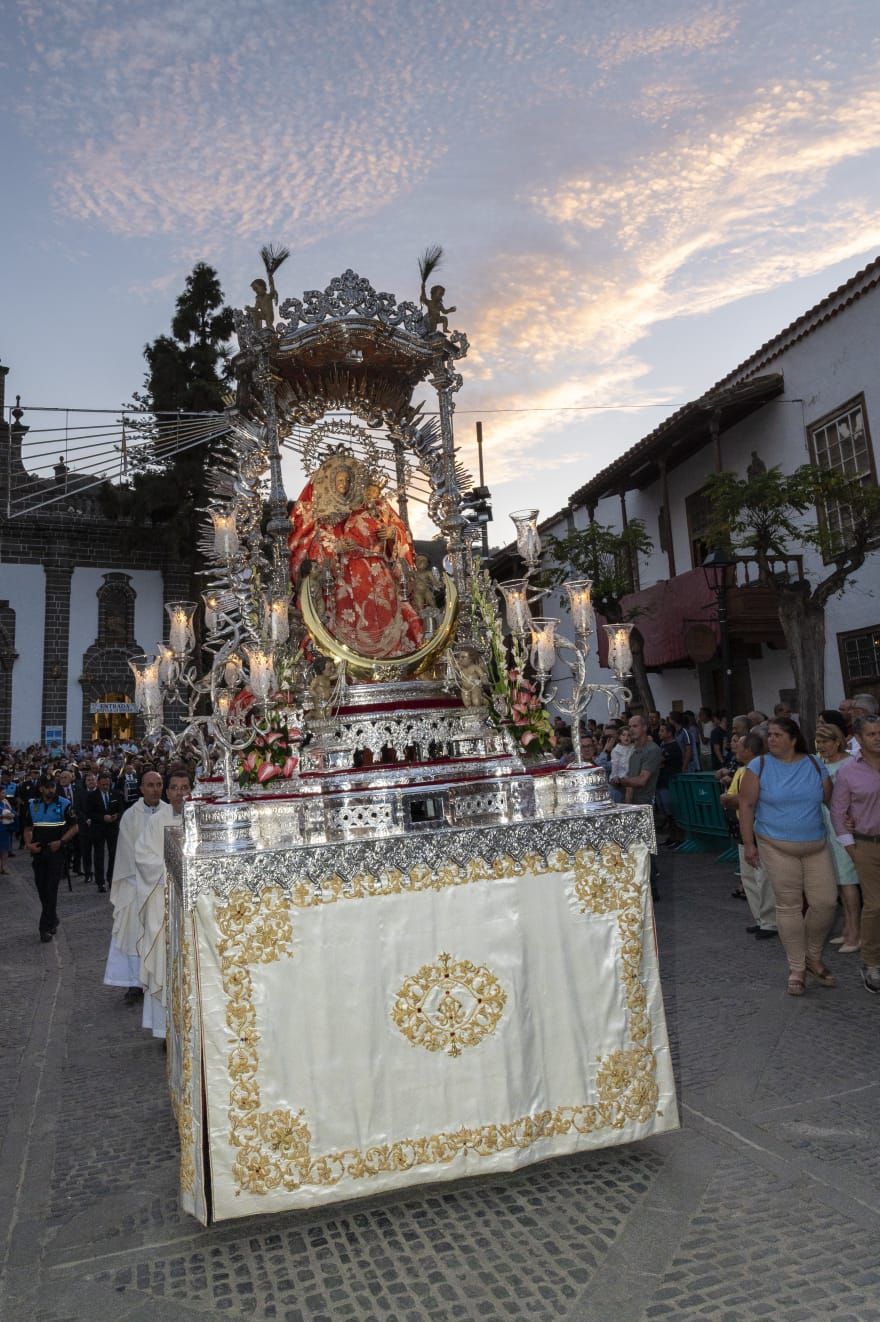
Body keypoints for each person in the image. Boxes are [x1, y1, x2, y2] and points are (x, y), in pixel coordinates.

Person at [288, 454, 424, 658]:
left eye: (348, 480)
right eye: (340, 480)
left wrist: (391, 535)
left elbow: (396, 529)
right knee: (347, 621)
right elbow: (316, 548)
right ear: (330, 483)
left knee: (385, 615)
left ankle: (391, 660)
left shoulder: (371, 507)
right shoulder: (324, 515)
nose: (344, 484)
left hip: (379, 576)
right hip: (344, 578)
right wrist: (338, 547)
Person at [738, 717, 837, 996]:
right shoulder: (759, 766)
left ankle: (812, 955)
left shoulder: (815, 765)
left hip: (816, 844)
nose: (771, 739)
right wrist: (749, 843)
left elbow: (832, 802)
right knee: (789, 905)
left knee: (826, 902)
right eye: (769, 735)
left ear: (794, 738)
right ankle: (797, 967)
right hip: (775, 844)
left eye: (778, 735)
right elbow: (746, 805)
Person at [104, 770, 173, 1011]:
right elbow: (127, 854)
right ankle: (135, 983)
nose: (155, 789)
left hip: (163, 884)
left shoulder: (170, 812)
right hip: (136, 885)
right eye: (150, 785)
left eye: (159, 784)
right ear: (141, 788)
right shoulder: (130, 817)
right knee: (135, 933)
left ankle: (161, 976)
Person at [138, 767, 192, 1039]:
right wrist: (169, 873)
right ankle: (165, 1028)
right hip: (164, 903)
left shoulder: (199, 819)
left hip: (192, 907)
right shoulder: (155, 821)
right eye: (175, 788)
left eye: (185, 788)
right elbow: (144, 858)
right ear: (167, 791)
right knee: (165, 962)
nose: (180, 793)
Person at [830, 714, 880, 995]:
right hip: (867, 845)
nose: (878, 737)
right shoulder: (849, 771)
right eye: (871, 734)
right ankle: (872, 963)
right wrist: (850, 846)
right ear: (859, 739)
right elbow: (838, 811)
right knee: (875, 905)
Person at [721, 732, 777, 940]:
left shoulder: (759, 769)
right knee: (749, 877)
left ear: (750, 750)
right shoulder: (742, 769)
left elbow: (748, 797)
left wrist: (729, 799)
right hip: (741, 827)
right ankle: (761, 918)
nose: (736, 748)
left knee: (762, 876)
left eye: (741, 746)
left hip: (756, 826)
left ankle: (771, 921)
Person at [814, 721, 861, 952]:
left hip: (842, 825)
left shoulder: (850, 763)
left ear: (837, 741)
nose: (821, 746)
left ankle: (856, 931)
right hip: (824, 824)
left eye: (825, 741)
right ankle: (847, 927)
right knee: (840, 882)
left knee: (848, 878)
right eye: (818, 742)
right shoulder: (818, 762)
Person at [23, 776, 78, 942]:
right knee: (41, 889)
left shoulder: (64, 803)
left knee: (50, 889)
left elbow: (75, 826)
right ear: (41, 789)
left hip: (56, 852)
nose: (50, 790)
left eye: (52, 786)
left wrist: (61, 842)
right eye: (47, 787)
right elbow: (27, 828)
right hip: (38, 852)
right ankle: (52, 919)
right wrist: (28, 844)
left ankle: (44, 927)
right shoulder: (33, 805)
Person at [619, 714, 662, 899]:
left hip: (646, 802)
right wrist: (627, 805)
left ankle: (652, 888)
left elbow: (642, 779)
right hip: (634, 804)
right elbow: (631, 781)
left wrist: (621, 780)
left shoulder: (652, 750)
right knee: (636, 847)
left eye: (635, 725)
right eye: (629, 726)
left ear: (644, 727)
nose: (631, 729)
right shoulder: (634, 751)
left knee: (647, 848)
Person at [87, 771, 123, 892]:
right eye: (103, 785)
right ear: (98, 784)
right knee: (99, 856)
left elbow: (121, 809)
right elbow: (90, 813)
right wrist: (102, 817)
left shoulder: (116, 794)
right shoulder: (92, 796)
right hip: (98, 829)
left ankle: (111, 879)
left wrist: (116, 816)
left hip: (112, 828)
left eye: (107, 784)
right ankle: (100, 882)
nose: (105, 787)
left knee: (113, 855)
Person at [609, 725, 634, 803]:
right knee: (628, 788)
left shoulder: (633, 747)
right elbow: (615, 764)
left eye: (629, 735)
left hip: (632, 775)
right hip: (620, 776)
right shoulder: (616, 750)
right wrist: (615, 776)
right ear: (619, 737)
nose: (626, 737)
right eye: (623, 735)